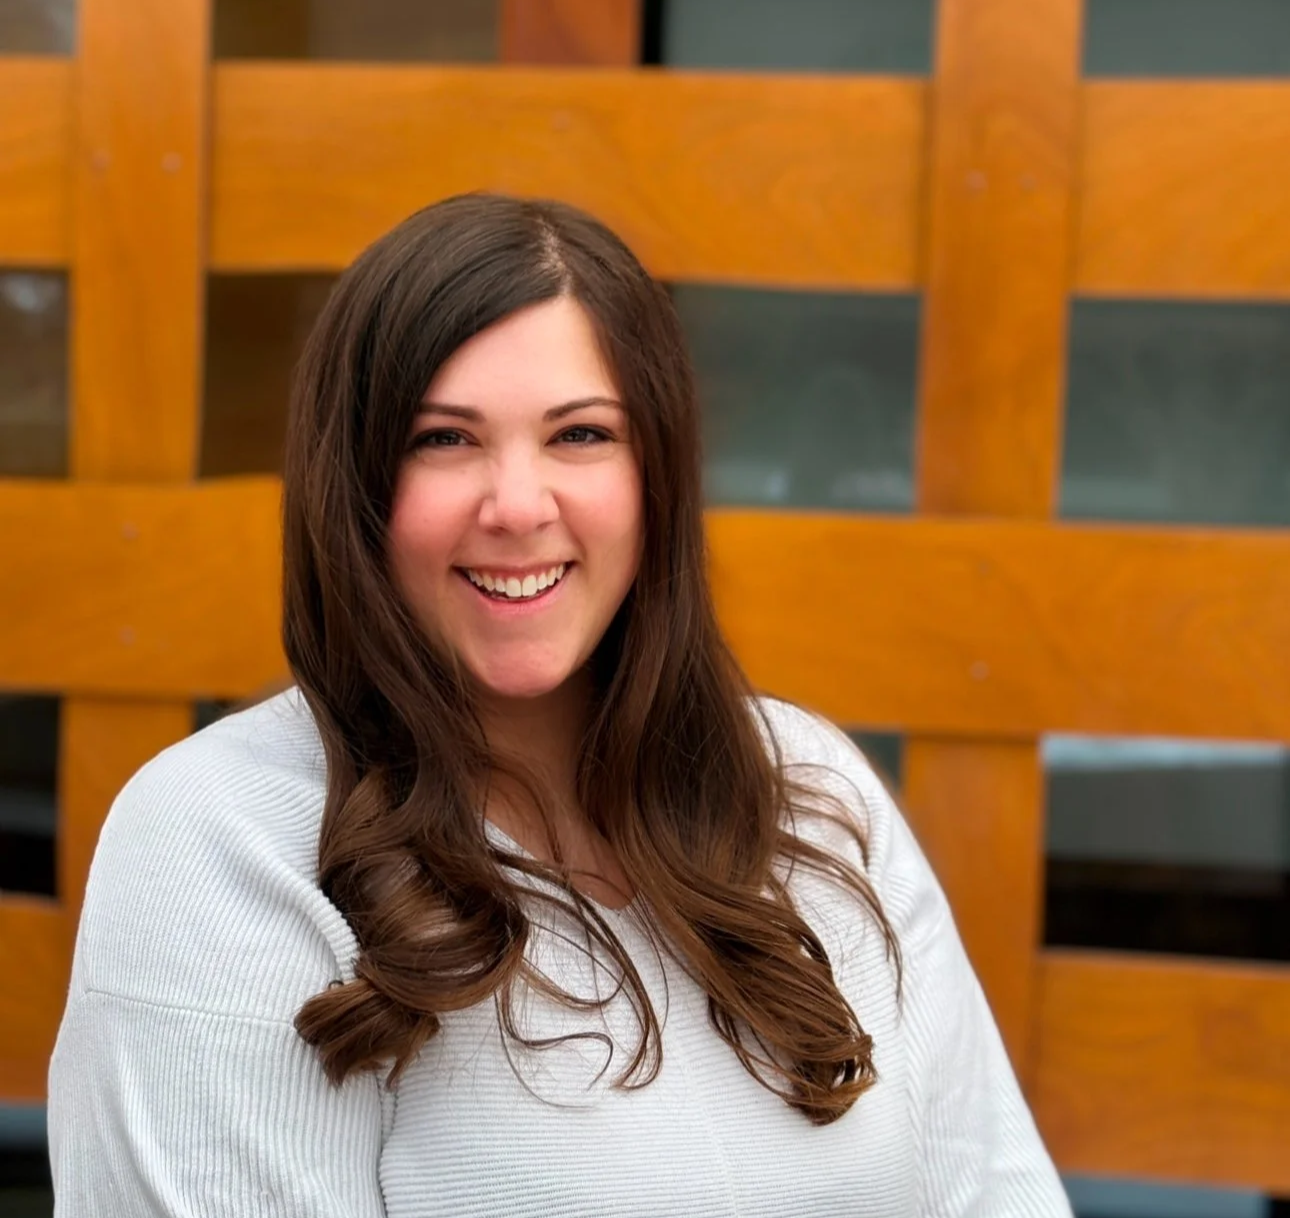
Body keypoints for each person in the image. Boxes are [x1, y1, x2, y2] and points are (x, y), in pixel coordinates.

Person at [48, 193, 1072, 1216]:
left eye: (580, 434)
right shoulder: (224, 838)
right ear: (353, 482)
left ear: (656, 474)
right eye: (445, 440)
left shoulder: (806, 788)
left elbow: (995, 1194)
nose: (519, 506)